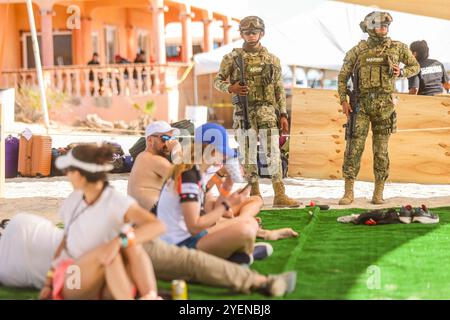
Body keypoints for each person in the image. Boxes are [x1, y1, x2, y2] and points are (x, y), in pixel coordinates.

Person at [39, 144, 166, 300]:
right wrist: (48, 281)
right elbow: (65, 242)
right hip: (74, 279)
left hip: (107, 280)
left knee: (127, 244)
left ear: (79, 174)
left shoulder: (116, 201)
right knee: (110, 252)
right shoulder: (73, 200)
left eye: (68, 171)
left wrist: (120, 241)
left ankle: (150, 295)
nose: (67, 175)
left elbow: (158, 226)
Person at [213, 16, 299, 208]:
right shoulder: (232, 58)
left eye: (254, 32)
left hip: (268, 111)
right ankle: (255, 192)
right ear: (242, 34)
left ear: (262, 33)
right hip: (244, 113)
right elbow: (217, 81)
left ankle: (280, 194)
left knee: (273, 151)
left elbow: (279, 89)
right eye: (247, 32)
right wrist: (231, 87)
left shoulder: (272, 59)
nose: (251, 35)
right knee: (248, 152)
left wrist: (283, 114)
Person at [337, 11, 420, 205]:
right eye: (378, 25)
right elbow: (342, 76)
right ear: (369, 27)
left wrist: (402, 72)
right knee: (353, 149)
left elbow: (415, 66)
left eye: (385, 25)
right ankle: (349, 192)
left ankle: (378, 192)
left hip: (385, 107)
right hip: (360, 107)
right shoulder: (358, 50)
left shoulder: (398, 47)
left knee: (381, 151)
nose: (383, 28)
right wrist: (343, 100)